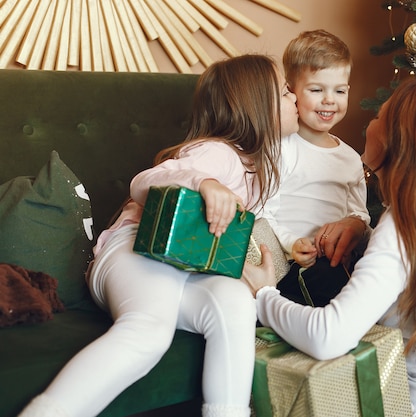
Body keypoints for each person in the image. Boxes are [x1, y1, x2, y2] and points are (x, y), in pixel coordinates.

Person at [18, 54, 299, 417]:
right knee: (150, 332)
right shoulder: (220, 154)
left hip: (181, 270)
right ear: (256, 108)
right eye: (284, 92)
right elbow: (144, 182)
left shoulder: (256, 173)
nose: (294, 97)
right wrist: (204, 182)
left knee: (235, 301)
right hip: (135, 251)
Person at [243, 77, 416, 416]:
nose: (370, 124)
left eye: (380, 117)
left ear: (400, 140)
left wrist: (264, 295)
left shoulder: (403, 228)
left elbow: (329, 336)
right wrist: (362, 230)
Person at [261, 29, 370, 305]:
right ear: (291, 91)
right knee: (326, 283)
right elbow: (264, 213)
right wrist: (292, 244)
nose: (329, 100)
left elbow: (359, 213)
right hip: (290, 262)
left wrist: (354, 228)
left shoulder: (350, 158)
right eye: (316, 89)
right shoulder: (281, 148)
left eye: (339, 90)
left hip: (338, 261)